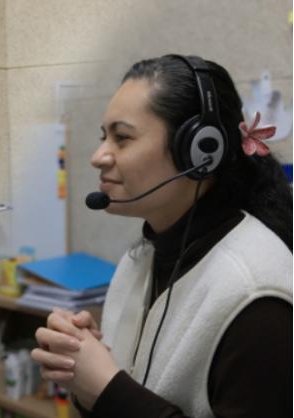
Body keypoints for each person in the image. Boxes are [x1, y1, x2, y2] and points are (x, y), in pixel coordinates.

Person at [30, 55, 292, 418]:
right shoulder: (138, 260)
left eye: (122, 137)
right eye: (104, 137)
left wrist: (106, 389)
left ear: (200, 150)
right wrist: (85, 368)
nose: (98, 156)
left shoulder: (258, 298)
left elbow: (117, 395)